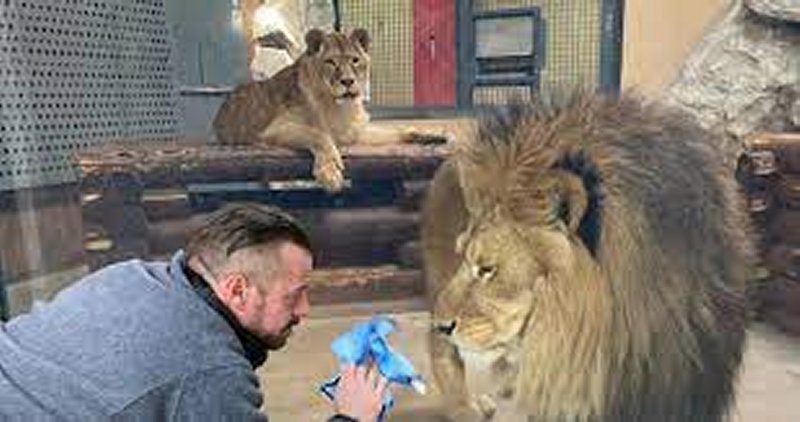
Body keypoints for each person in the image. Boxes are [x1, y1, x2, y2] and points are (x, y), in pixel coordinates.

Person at [0, 203, 387, 421]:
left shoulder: (130, 275)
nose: (305, 310)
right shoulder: (210, 370)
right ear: (237, 289)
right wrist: (351, 417)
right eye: (294, 295)